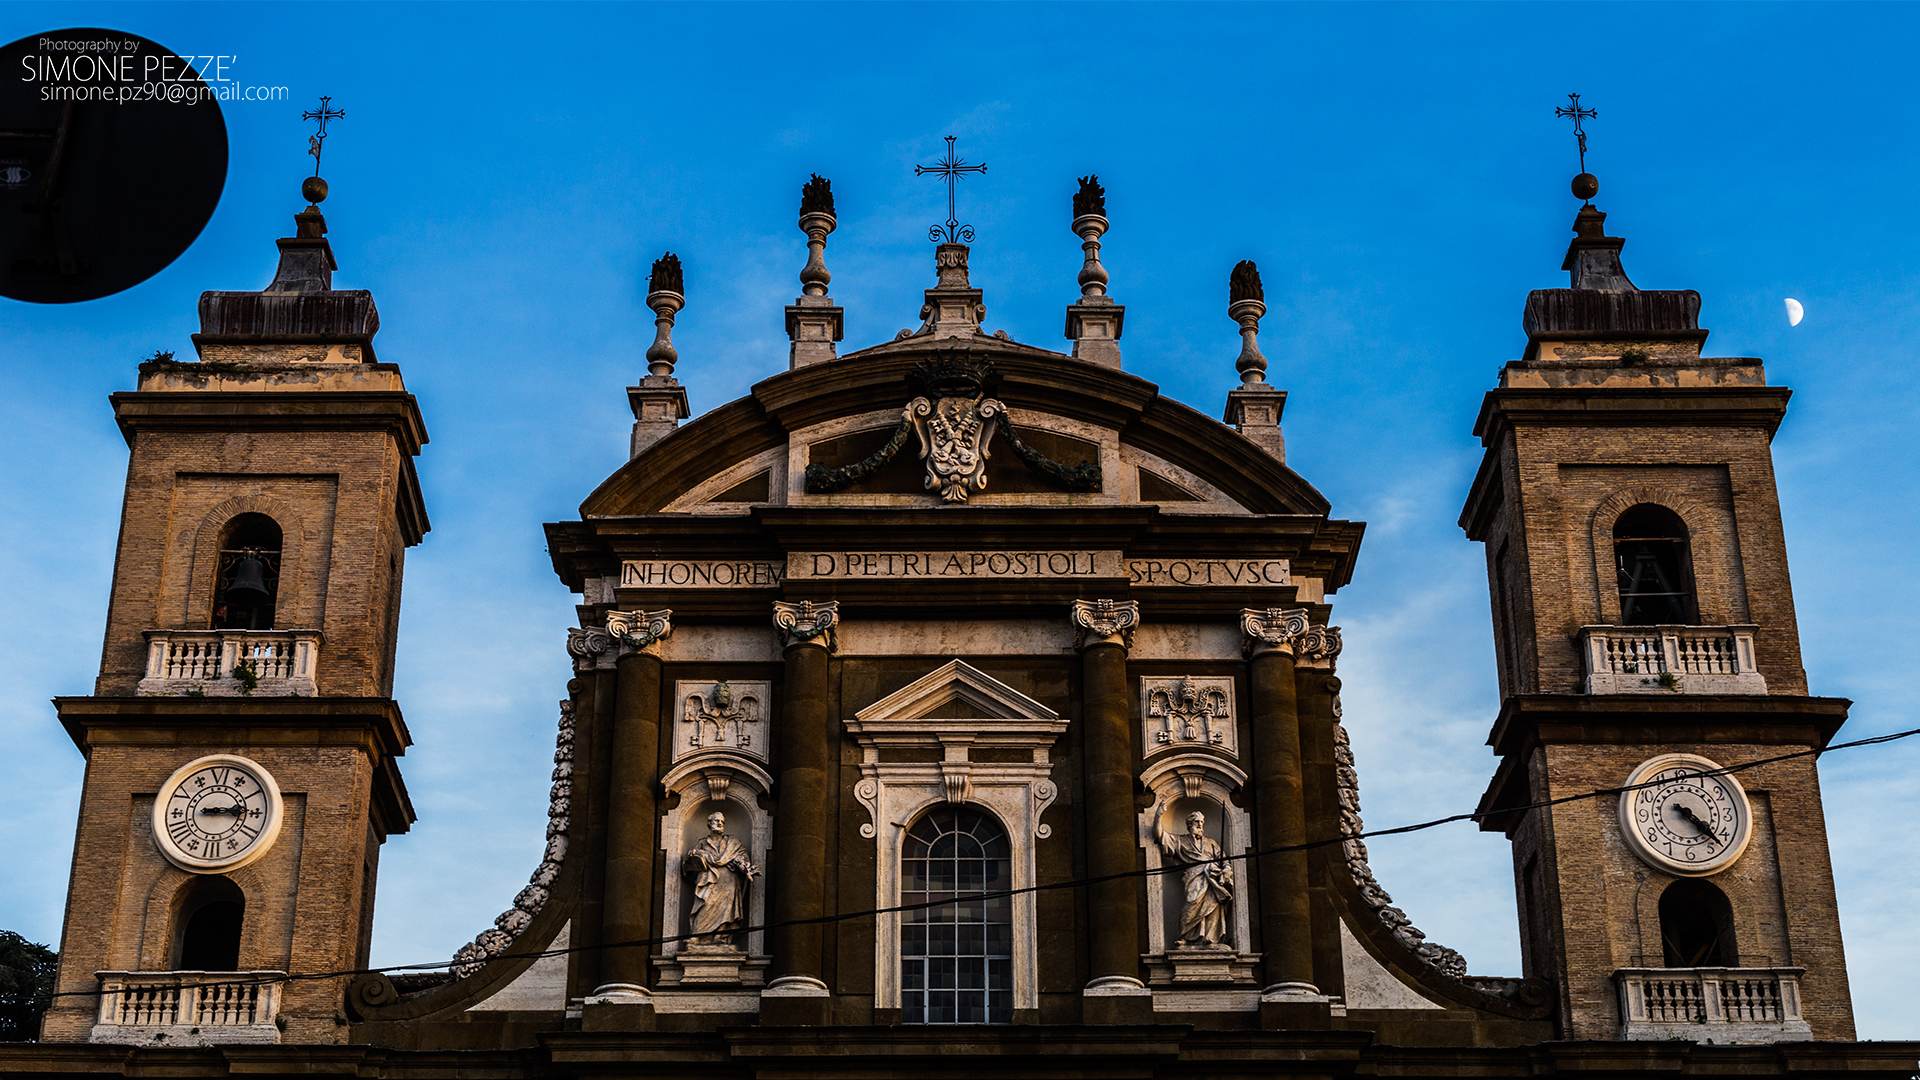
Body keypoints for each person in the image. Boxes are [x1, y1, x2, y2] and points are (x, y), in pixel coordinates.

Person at [1153, 797, 1233, 948]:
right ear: (1190, 824)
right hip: (1193, 878)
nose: (1200, 825)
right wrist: (1158, 816)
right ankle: (1185, 936)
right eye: (1197, 822)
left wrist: (1226, 869)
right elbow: (1159, 836)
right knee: (1192, 903)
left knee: (1212, 906)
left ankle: (1210, 937)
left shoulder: (1211, 843)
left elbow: (1224, 860)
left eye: (1202, 822)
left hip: (1212, 878)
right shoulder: (1180, 841)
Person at [685, 811, 758, 944]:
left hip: (728, 881)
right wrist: (692, 857)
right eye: (716, 821)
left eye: (722, 822)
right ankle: (697, 936)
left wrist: (744, 866)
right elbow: (688, 866)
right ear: (709, 824)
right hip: (708, 879)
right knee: (704, 905)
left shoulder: (733, 842)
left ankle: (720, 936)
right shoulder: (702, 843)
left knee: (726, 908)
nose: (719, 823)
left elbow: (743, 857)